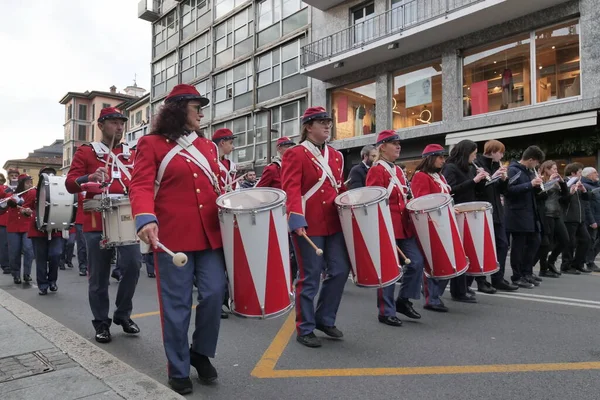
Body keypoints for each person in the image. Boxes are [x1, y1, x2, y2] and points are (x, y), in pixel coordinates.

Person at [130, 84, 226, 395]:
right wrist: (145, 216)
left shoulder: (208, 147)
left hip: (210, 235)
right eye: (195, 106)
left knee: (214, 295)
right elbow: (141, 184)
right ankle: (179, 367)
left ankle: (199, 352)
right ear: (177, 109)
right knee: (176, 305)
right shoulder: (151, 144)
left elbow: (214, 188)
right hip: (172, 238)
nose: (201, 112)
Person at [65, 107, 142, 344]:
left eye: (122, 123)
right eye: (113, 122)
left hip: (126, 218)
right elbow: (70, 184)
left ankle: (122, 314)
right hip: (96, 219)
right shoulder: (87, 152)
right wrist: (88, 178)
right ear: (101, 125)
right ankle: (101, 322)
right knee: (99, 275)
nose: (119, 127)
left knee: (133, 265)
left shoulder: (133, 152)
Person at [282, 106, 351, 348]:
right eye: (321, 122)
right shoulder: (296, 154)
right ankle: (305, 327)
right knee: (310, 277)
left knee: (341, 270)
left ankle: (324, 318)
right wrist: (295, 217)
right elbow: (291, 188)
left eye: (328, 122)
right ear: (308, 127)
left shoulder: (336, 156)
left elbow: (339, 188)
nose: (327, 126)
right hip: (308, 223)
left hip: (333, 222)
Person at [366, 130, 424, 326]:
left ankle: (403, 300)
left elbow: (405, 196)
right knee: (389, 269)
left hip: (404, 226)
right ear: (382, 147)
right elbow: (372, 201)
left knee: (416, 262)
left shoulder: (398, 171)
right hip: (387, 226)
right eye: (393, 143)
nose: (398, 146)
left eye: (399, 143)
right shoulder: (376, 170)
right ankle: (386, 311)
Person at [442, 140, 490, 300]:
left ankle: (465, 286)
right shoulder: (450, 167)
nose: (475, 157)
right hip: (458, 212)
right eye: (474, 154)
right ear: (465, 153)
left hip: (469, 212)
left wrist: (483, 179)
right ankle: (458, 291)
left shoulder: (470, 168)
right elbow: (450, 190)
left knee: (469, 251)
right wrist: (474, 180)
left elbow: (476, 190)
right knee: (461, 252)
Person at [473, 140, 518, 291]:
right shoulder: (478, 164)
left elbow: (502, 191)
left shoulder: (496, 165)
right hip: (483, 211)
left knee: (503, 245)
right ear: (492, 151)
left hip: (497, 211)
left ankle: (498, 278)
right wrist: (493, 177)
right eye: (501, 152)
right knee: (484, 247)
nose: (502, 155)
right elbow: (479, 188)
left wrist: (504, 180)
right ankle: (481, 280)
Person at [255, 136, 299, 281]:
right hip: (278, 215)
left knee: (295, 252)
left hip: (293, 212)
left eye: (292, 145)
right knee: (285, 251)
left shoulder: (294, 164)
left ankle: (289, 281)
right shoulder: (273, 168)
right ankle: (283, 281)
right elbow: (260, 191)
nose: (290, 148)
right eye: (287, 145)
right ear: (279, 149)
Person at [504, 145, 545, 289]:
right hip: (517, 214)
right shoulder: (513, 170)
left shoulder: (528, 171)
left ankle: (527, 272)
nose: (537, 165)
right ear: (531, 159)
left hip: (530, 213)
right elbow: (508, 191)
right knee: (519, 246)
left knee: (535, 242)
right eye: (537, 162)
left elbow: (530, 192)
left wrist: (539, 187)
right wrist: (530, 184)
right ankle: (517, 276)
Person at [28, 167, 64, 295]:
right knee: (41, 258)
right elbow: (26, 207)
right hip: (38, 230)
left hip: (56, 229)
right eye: (46, 174)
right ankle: (43, 285)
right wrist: (28, 212)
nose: (49, 176)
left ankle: (52, 281)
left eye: (51, 174)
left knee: (55, 255)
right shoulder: (33, 192)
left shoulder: (60, 191)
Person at [535, 160, 569, 278]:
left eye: (556, 169)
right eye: (553, 169)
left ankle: (551, 261)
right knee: (547, 243)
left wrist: (562, 182)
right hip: (547, 214)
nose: (556, 171)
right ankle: (543, 269)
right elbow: (541, 195)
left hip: (557, 213)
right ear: (546, 169)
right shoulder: (542, 180)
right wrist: (550, 182)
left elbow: (565, 196)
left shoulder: (557, 182)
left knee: (565, 240)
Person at [0, 174, 35, 284]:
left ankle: (27, 274)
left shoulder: (33, 193)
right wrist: (6, 203)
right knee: (14, 251)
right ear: (21, 184)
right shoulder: (10, 193)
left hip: (27, 225)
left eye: (31, 182)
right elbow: (2, 208)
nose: (30, 184)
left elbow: (35, 207)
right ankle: (16, 274)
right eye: (27, 182)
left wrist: (21, 204)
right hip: (13, 226)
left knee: (28, 250)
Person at [559, 162, 591, 274]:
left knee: (586, 240)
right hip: (569, 217)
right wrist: (571, 192)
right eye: (579, 172)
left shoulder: (579, 183)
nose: (581, 175)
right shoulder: (564, 183)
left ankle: (578, 263)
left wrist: (584, 190)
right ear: (573, 173)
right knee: (570, 243)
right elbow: (562, 200)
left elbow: (587, 199)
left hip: (580, 217)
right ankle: (566, 265)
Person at [581, 167, 600, 272]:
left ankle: (589, 260)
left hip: (598, 217)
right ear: (588, 175)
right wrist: (592, 221)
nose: (597, 174)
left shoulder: (597, 185)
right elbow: (587, 205)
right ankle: (589, 261)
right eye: (595, 173)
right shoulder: (586, 186)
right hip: (592, 219)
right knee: (590, 241)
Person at [73, 192, 88, 276]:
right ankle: (82, 267)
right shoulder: (78, 187)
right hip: (80, 219)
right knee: (82, 245)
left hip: (94, 219)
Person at [0, 174, 10, 274]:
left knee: (5, 244)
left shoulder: (7, 188)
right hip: (2, 220)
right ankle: (5, 265)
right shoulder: (5, 188)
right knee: (4, 244)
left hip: (5, 220)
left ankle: (6, 264)